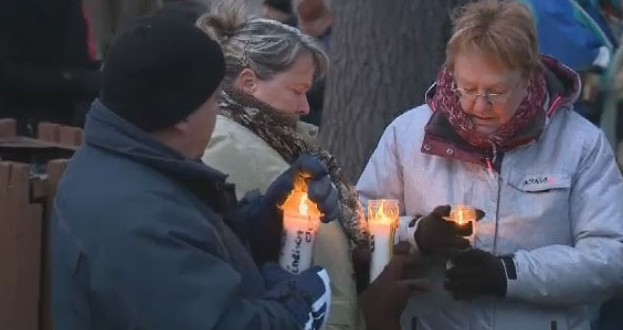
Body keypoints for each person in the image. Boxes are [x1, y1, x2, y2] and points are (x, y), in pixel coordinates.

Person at [51, 16, 340, 330]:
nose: (218, 114)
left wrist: (267, 220)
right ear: (182, 116)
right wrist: (299, 305)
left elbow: (195, 249)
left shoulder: (136, 167)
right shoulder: (137, 217)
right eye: (215, 101)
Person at [356, 0, 623, 329]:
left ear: (528, 76)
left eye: (496, 92)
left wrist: (510, 274)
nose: (479, 106)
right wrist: (417, 234)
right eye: (466, 88)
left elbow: (611, 256)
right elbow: (358, 221)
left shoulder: (579, 143)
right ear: (450, 72)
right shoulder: (407, 134)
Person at [198, 2, 429, 328]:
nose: (306, 107)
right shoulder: (227, 147)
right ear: (249, 83)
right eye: (297, 91)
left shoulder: (277, 143)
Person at [0, 0, 101, 135]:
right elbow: (9, 74)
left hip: (68, 124)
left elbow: (80, 61)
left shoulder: (70, 6)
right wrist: (79, 79)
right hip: (20, 129)